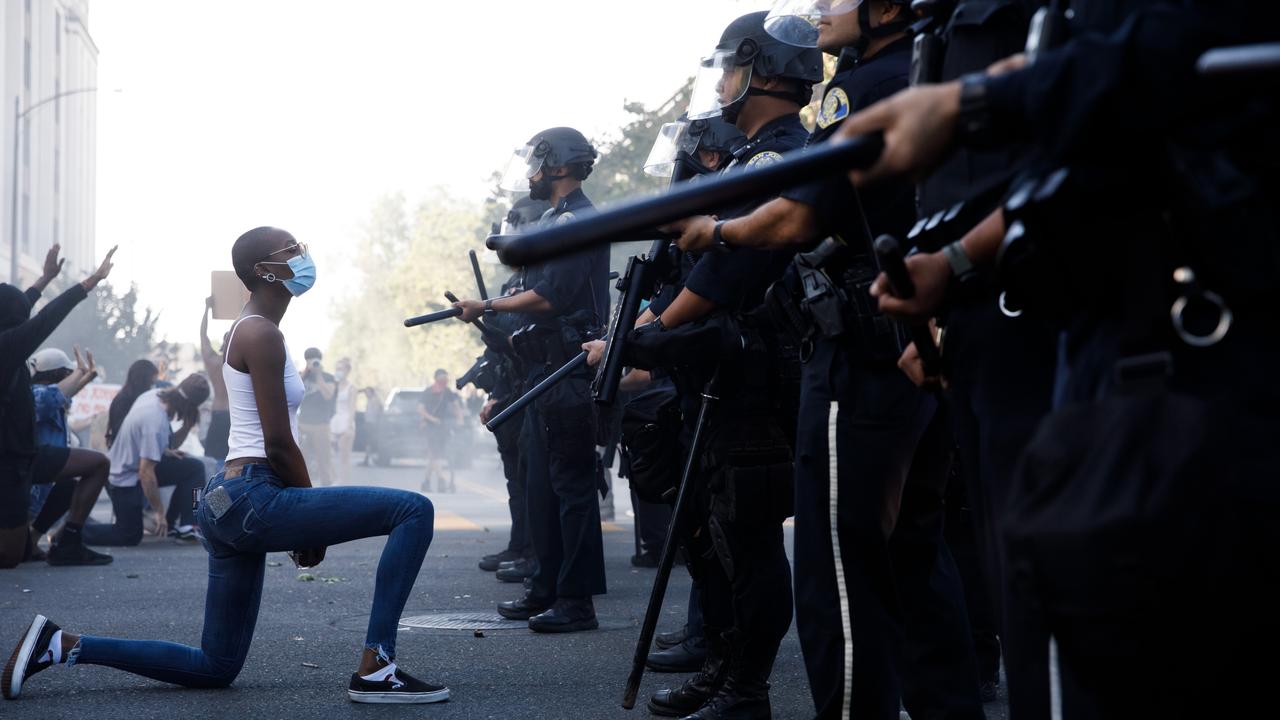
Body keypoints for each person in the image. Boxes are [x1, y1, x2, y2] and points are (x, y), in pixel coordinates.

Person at [836, 3, 1279, 716]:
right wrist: (952, 265)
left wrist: (983, 101)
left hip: (1206, 342)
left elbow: (1183, 51)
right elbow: (1066, 168)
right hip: (1094, 333)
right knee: (1064, 613)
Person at [672, 2, 984, 717]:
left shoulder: (865, 86)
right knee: (916, 560)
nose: (822, 14)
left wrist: (714, 229)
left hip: (863, 359)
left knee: (841, 575)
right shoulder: (925, 71)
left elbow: (798, 216)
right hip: (914, 348)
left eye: (837, 1)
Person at [5, 226, 447, 704]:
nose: (303, 255)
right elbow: (278, 444)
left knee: (215, 666)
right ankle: (377, 666)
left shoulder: (253, 328)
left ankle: (62, 645)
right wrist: (310, 527)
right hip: (254, 493)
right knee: (413, 510)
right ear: (264, 271)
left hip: (228, 498)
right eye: (292, 250)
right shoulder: (260, 333)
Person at [455, 126, 609, 633]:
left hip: (569, 367)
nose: (531, 174)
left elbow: (550, 298)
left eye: (536, 163)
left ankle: (575, 600)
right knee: (542, 485)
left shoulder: (577, 220)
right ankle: (544, 587)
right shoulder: (554, 218)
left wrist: (488, 305)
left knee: (571, 488)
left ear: (558, 165)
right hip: (546, 368)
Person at [0, 243, 117, 570]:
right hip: (7, 466)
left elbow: (23, 303)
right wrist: (90, 282)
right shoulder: (5, 347)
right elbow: (44, 320)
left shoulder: (9, 342)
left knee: (96, 464)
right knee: (11, 557)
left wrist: (44, 279)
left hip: (29, 457)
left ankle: (68, 542)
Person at [81, 375, 212, 546]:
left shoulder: (155, 395)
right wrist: (159, 512)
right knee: (128, 535)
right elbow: (146, 473)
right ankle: (75, 531)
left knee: (194, 468)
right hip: (124, 477)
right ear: (190, 406)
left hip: (136, 465)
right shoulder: (155, 423)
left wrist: (171, 442)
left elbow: (168, 442)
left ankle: (189, 524)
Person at [24, 348, 114, 567]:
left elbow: (59, 397)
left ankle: (34, 538)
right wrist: (80, 374)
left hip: (31, 488)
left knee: (71, 483)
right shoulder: (33, 395)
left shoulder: (55, 401)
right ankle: (66, 543)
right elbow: (47, 399)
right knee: (98, 464)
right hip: (22, 482)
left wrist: (82, 378)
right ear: (60, 375)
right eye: (68, 373)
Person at [200, 296, 233, 470]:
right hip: (234, 415)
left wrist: (207, 309)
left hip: (221, 413)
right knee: (230, 461)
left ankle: (215, 494)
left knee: (214, 461)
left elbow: (203, 336)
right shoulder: (245, 364)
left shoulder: (214, 361)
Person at [297, 347, 336, 487]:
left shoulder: (329, 377)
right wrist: (305, 373)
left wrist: (318, 375)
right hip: (303, 425)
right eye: (309, 360)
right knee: (301, 461)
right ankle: (304, 489)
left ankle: (327, 489)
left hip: (322, 425)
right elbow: (292, 392)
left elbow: (328, 396)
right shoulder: (300, 376)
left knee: (323, 461)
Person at [417, 369, 461, 494]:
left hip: (442, 428)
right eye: (442, 379)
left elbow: (456, 406)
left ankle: (425, 482)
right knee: (435, 454)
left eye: (446, 379)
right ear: (436, 378)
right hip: (429, 428)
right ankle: (442, 480)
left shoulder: (447, 392)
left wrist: (460, 419)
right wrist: (432, 419)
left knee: (433, 455)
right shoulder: (428, 392)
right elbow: (420, 409)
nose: (444, 382)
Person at [105, 360, 161, 450]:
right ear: (143, 381)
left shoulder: (141, 400)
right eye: (151, 383)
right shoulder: (124, 400)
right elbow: (123, 432)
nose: (153, 388)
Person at [329, 358, 356, 486]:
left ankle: (345, 482)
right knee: (329, 452)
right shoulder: (334, 386)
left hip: (346, 421)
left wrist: (349, 426)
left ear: (347, 371)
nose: (338, 371)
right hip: (335, 421)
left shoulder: (351, 388)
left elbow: (352, 408)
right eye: (337, 369)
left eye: (341, 369)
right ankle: (335, 479)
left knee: (344, 455)